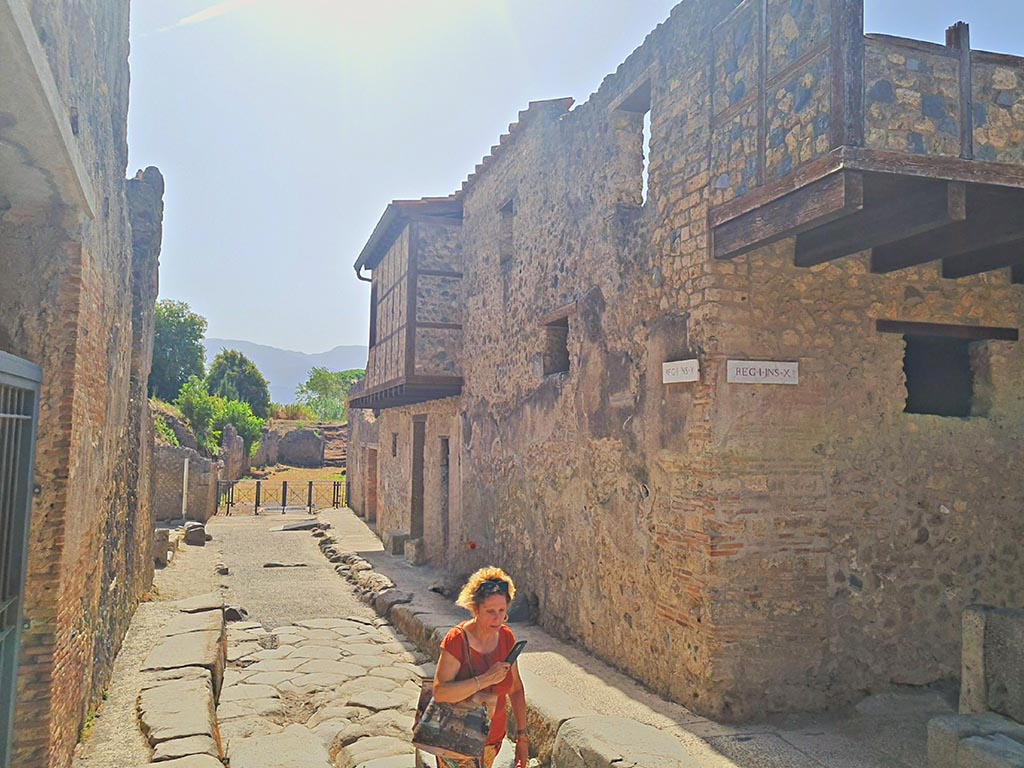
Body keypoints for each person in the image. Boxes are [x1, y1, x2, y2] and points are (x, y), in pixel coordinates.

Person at [430, 567, 528, 768]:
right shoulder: (456, 640)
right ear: (475, 609)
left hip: (492, 741)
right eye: (490, 612)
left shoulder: (507, 637)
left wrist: (522, 737)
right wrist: (484, 679)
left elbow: (516, 689)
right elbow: (440, 692)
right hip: (456, 740)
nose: (497, 618)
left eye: (502, 611)